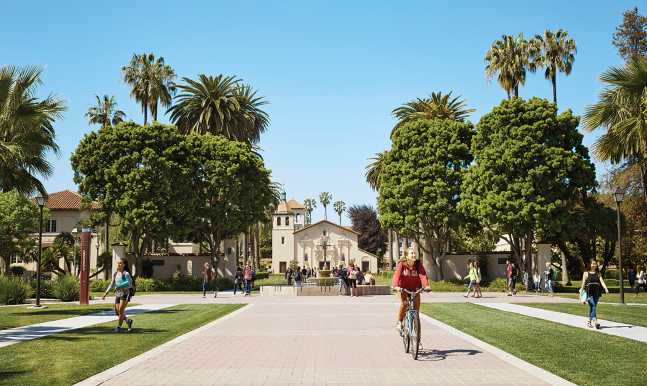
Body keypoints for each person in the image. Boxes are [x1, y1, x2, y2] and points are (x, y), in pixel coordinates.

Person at [392, 248, 431, 350]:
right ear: (407, 256)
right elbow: (397, 276)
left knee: (416, 314)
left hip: (415, 290)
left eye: (414, 253)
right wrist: (396, 286)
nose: (414, 255)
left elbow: (422, 275)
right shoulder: (402, 265)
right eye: (412, 253)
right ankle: (400, 321)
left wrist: (426, 286)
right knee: (405, 303)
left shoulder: (418, 264)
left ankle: (418, 341)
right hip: (403, 289)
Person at [102, 258, 134, 332]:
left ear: (124, 265)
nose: (118, 264)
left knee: (120, 310)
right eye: (118, 263)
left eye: (120, 263)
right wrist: (105, 293)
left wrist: (122, 287)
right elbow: (112, 284)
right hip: (118, 294)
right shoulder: (115, 274)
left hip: (125, 294)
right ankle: (128, 321)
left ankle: (118, 328)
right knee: (117, 312)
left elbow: (130, 284)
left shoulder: (126, 273)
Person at [579, 259, 609, 329]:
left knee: (593, 307)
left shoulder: (598, 273)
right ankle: (596, 322)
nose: (595, 265)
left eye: (595, 264)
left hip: (596, 291)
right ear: (590, 264)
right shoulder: (586, 273)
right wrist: (580, 295)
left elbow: (602, 281)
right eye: (593, 264)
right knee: (592, 306)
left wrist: (606, 288)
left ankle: (589, 321)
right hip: (589, 292)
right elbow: (583, 284)